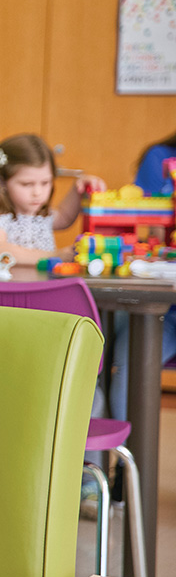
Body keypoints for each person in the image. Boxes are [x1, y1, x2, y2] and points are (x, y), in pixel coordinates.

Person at [108, 129, 176, 422]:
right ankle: (123, 463)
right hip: (163, 310)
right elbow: (142, 223)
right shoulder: (161, 157)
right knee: (126, 361)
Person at [0, 133, 105, 265]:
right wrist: (54, 255)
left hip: (42, 284)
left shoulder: (40, 215)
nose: (38, 192)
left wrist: (79, 187)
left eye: (45, 182)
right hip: (12, 285)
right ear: (2, 182)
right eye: (27, 184)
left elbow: (64, 216)